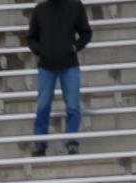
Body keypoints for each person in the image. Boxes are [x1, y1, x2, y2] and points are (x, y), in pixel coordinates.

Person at [28, 0, 92, 155]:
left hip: (69, 65)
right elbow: (31, 38)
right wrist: (41, 51)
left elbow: (86, 32)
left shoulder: (75, 6)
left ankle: (72, 142)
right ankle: (40, 144)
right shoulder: (40, 10)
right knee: (43, 106)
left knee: (73, 107)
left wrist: (74, 47)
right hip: (46, 67)